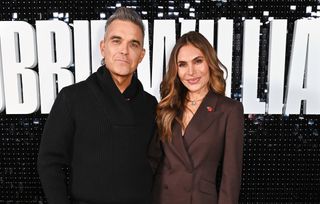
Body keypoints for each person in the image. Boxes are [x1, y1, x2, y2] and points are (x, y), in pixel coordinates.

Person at [37, 7, 157, 204]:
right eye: (116, 40)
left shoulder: (150, 105)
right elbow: (49, 162)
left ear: (142, 55)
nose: (124, 51)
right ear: (103, 47)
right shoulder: (72, 98)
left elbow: (154, 163)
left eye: (133, 44)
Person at [152, 31, 244, 204]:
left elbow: (231, 175)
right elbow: (152, 162)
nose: (191, 72)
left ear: (209, 62)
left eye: (198, 61)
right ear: (176, 69)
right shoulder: (166, 107)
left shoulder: (229, 110)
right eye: (182, 64)